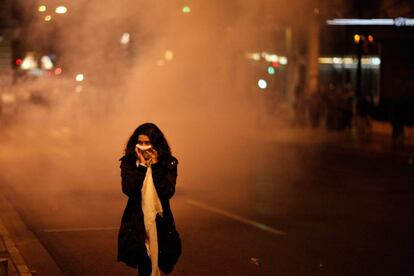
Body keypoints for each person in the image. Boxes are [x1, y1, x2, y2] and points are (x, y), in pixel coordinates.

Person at [117, 123, 180, 276]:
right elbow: (129, 190)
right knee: (145, 264)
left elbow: (167, 192)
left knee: (158, 261)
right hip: (137, 222)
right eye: (141, 143)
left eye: (148, 143)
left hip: (160, 223)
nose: (143, 146)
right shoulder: (130, 162)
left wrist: (156, 165)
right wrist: (142, 167)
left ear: (156, 144)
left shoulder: (168, 163)